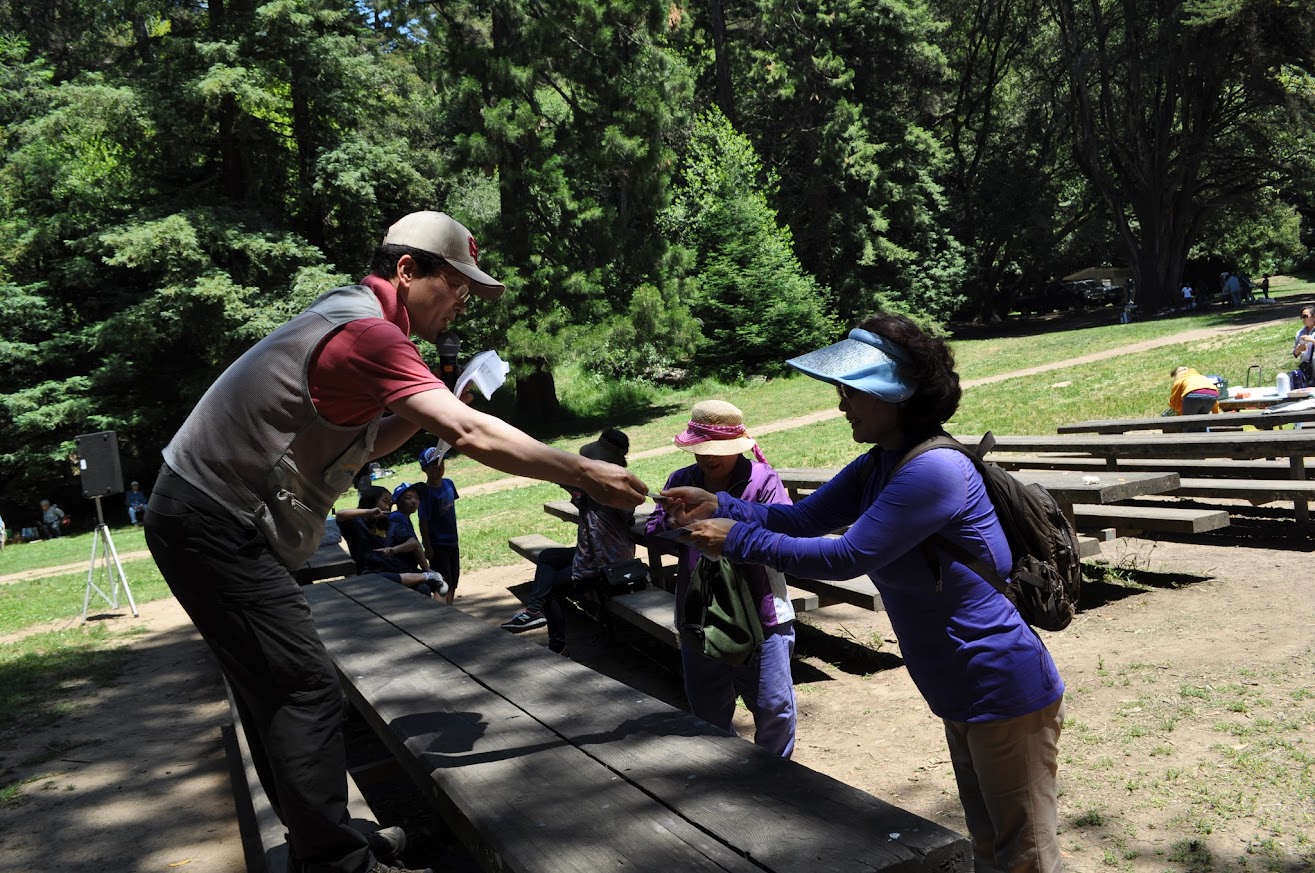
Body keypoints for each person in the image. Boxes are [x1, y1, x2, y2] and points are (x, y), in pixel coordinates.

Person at [144, 210, 646, 873]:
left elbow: (371, 440)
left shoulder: (352, 320)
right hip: (214, 520)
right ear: (406, 270)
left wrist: (435, 402)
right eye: (455, 284)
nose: (462, 301)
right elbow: (471, 435)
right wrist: (584, 471)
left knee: (281, 688)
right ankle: (336, 861)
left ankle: (323, 841)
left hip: (206, 515)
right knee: (304, 687)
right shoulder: (367, 333)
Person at [663, 315, 1065, 873]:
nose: (841, 404)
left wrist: (737, 539)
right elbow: (803, 519)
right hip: (959, 686)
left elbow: (847, 555)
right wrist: (720, 505)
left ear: (894, 395)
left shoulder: (935, 470)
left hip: (1000, 683)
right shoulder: (882, 461)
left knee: (1025, 856)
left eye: (851, 391)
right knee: (990, 845)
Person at [645, 400, 797, 758]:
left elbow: (786, 530)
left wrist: (726, 521)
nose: (707, 458)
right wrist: (673, 523)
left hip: (762, 612)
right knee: (707, 706)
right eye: (700, 451)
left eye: (716, 451)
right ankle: (723, 775)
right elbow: (652, 528)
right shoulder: (681, 480)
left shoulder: (762, 478)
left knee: (773, 705)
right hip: (699, 611)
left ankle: (776, 776)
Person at [500, 429, 636, 656]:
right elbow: (574, 490)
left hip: (606, 563)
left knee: (552, 589)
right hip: (593, 552)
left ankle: (557, 646)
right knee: (547, 557)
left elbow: (598, 499)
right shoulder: (601, 483)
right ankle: (535, 610)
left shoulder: (613, 486)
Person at [337, 486, 446, 598]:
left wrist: (394, 549)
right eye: (384, 501)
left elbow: (413, 543)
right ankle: (427, 576)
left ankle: (430, 584)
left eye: (390, 504)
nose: (388, 507)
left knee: (423, 589)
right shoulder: (355, 523)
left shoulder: (390, 524)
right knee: (373, 579)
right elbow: (340, 514)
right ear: (371, 500)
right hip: (371, 573)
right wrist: (368, 512)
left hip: (395, 570)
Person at [415, 447, 460, 605]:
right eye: (434, 465)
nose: (439, 468)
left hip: (452, 541)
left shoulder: (449, 484)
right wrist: (428, 546)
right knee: (443, 582)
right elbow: (423, 522)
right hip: (438, 544)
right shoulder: (426, 494)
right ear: (425, 469)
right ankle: (443, 613)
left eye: (441, 463)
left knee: (454, 579)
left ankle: (451, 608)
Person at [1293, 305, 1315, 388]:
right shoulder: (1300, 333)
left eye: (1305, 316)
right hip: (1307, 371)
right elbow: (1295, 353)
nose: (1303, 319)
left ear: (1314, 317)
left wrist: (1312, 341)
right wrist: (1298, 349)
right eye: (1302, 317)